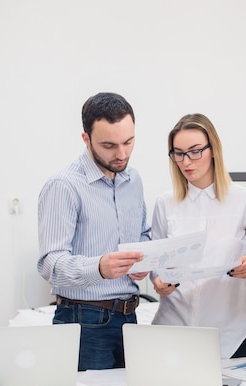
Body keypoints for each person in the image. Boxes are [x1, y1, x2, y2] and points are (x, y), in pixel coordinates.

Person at [37, 92, 151, 371]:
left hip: (130, 317)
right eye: (109, 145)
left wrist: (144, 260)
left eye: (128, 142)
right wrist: (99, 267)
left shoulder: (133, 179)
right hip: (84, 319)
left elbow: (144, 234)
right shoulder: (63, 185)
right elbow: (49, 264)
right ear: (86, 139)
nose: (122, 154)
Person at [149, 113, 246, 359]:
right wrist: (158, 281)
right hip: (173, 328)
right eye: (178, 153)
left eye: (195, 151)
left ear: (213, 149)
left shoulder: (245, 200)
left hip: (228, 333)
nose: (186, 161)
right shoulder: (165, 204)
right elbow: (156, 262)